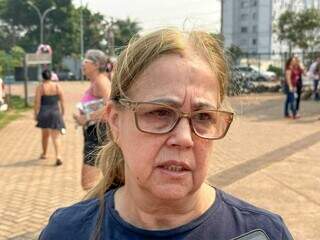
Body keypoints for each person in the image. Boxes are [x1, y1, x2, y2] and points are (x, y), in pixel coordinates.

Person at [40, 28, 293, 240]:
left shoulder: (262, 234)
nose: (184, 138)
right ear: (115, 122)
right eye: (160, 113)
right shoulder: (67, 232)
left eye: (203, 117)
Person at [73, 49, 111, 190]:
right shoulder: (97, 81)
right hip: (94, 132)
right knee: (95, 181)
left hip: (98, 133)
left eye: (86, 61)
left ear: (95, 65)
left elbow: (111, 107)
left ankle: (99, 209)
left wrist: (86, 117)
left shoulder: (101, 81)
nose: (82, 64)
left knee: (89, 183)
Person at [34, 69, 65, 166]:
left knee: (45, 135)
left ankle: (44, 153)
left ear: (42, 77)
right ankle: (58, 156)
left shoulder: (40, 87)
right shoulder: (57, 86)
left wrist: (36, 113)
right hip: (55, 112)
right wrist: (63, 112)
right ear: (51, 76)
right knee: (56, 137)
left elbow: (37, 102)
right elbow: (62, 101)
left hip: (44, 112)